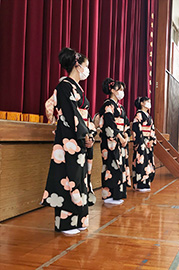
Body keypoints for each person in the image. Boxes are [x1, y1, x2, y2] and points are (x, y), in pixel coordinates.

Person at [41, 47, 95, 235]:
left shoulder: (77, 88)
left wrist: (90, 135)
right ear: (77, 65)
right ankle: (65, 223)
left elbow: (85, 117)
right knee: (67, 177)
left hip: (79, 138)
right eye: (86, 66)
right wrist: (84, 134)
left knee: (79, 178)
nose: (88, 70)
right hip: (68, 138)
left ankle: (79, 218)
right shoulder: (64, 86)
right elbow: (71, 114)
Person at [98, 78, 129, 205]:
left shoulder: (120, 107)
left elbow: (126, 123)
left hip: (120, 139)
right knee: (111, 166)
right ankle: (108, 195)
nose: (121, 92)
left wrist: (126, 136)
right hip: (110, 141)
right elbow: (109, 123)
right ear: (111, 90)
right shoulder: (107, 105)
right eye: (119, 89)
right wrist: (120, 137)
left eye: (122, 90)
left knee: (120, 166)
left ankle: (117, 194)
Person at [132, 97, 156, 192]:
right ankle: (140, 184)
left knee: (149, 161)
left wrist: (151, 139)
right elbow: (137, 129)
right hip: (141, 142)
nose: (149, 103)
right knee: (141, 161)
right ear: (142, 103)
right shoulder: (138, 115)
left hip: (148, 142)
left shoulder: (149, 116)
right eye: (147, 101)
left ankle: (147, 182)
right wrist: (143, 141)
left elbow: (152, 129)